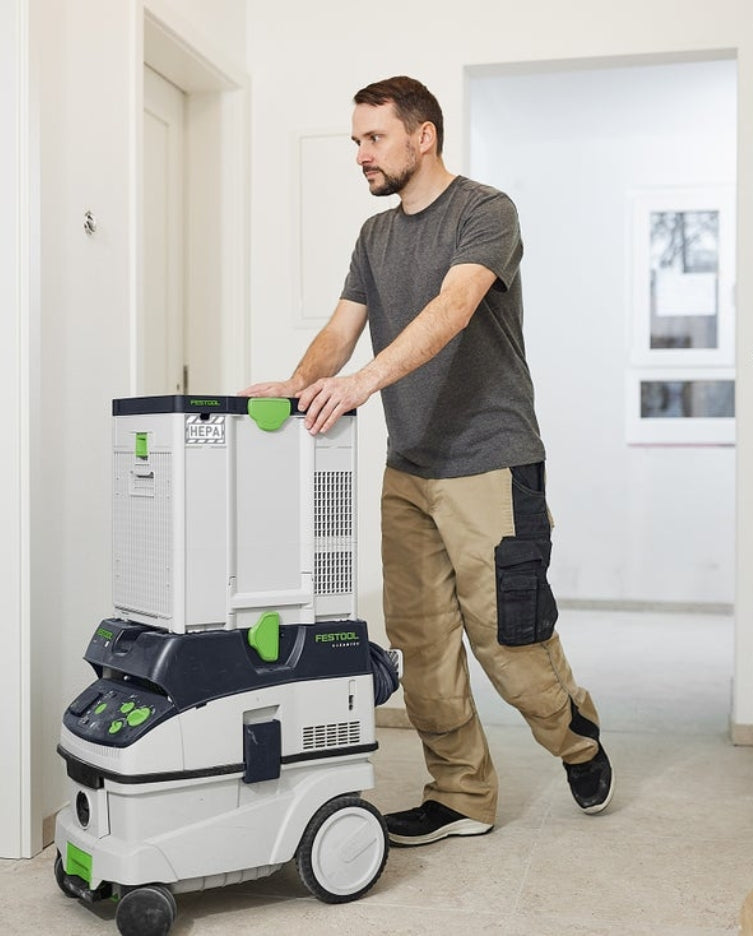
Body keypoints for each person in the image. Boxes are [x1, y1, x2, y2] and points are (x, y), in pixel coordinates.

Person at [242, 75, 613, 846]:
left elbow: (452, 309)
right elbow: (342, 329)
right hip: (409, 469)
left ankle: (575, 736)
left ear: (423, 136)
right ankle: (462, 794)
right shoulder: (375, 237)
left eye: (372, 138)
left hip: (491, 461)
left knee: (510, 645)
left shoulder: (485, 212)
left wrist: (359, 388)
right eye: (355, 140)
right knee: (423, 642)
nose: (360, 154)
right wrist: (299, 381)